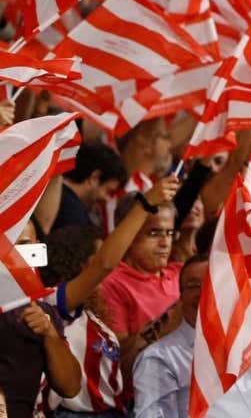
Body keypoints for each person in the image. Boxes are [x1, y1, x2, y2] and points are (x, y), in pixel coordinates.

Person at [39, 174, 178, 417]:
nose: (112, 257)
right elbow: (104, 264)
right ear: (82, 264)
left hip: (114, 410)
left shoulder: (89, 314)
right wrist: (146, 204)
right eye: (101, 252)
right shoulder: (55, 305)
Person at [132, 255, 251, 417]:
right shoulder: (159, 357)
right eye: (194, 286)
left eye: (212, 283)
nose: (205, 293)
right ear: (181, 296)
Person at [1, 222, 82, 418]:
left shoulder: (42, 311)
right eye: (9, 245)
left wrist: (50, 335)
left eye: (26, 245)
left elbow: (70, 387)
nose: (17, 254)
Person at [96, 193, 182, 374]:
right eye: (154, 233)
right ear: (128, 233)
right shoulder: (111, 284)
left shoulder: (182, 273)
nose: (165, 242)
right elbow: (118, 360)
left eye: (169, 233)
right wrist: (171, 321)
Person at [38, 141, 127, 235]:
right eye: (108, 191)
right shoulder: (74, 214)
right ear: (94, 178)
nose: (106, 198)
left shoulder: (50, 191)